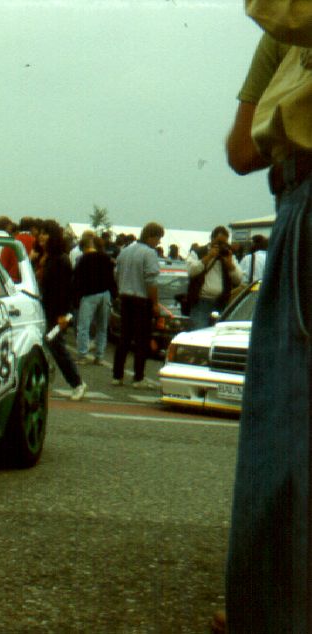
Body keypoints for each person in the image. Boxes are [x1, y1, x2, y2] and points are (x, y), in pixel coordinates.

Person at [220, 29, 311, 634]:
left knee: (288, 424)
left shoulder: (285, 32)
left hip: (304, 197)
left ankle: (277, 610)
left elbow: (241, 149)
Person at [36, 220, 86, 401]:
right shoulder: (44, 257)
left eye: (46, 233)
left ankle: (77, 383)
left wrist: (63, 315)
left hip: (56, 311)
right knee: (44, 347)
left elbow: (65, 290)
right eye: (41, 233)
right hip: (42, 309)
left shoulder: (60, 260)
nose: (41, 237)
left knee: (56, 347)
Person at [111, 222, 164, 389]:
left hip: (125, 297)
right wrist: (155, 303)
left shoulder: (125, 251)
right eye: (158, 238)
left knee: (124, 338)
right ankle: (138, 377)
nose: (159, 242)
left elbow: (116, 274)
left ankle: (117, 375)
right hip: (141, 300)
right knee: (142, 340)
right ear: (151, 236)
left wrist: (121, 290)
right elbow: (151, 281)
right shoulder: (149, 253)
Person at [185, 226, 242, 329]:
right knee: (199, 331)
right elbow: (191, 271)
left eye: (224, 243)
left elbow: (238, 279)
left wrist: (230, 266)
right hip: (201, 302)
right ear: (212, 239)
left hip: (221, 302)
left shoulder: (228, 255)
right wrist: (208, 257)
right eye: (218, 242)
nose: (221, 246)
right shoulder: (198, 252)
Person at [73, 235, 116, 366]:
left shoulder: (83, 259)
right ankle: (99, 356)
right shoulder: (106, 258)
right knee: (102, 327)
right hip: (105, 294)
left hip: (89, 295)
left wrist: (76, 298)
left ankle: (82, 355)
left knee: (83, 327)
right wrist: (113, 295)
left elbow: (77, 279)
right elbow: (112, 278)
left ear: (84, 248)